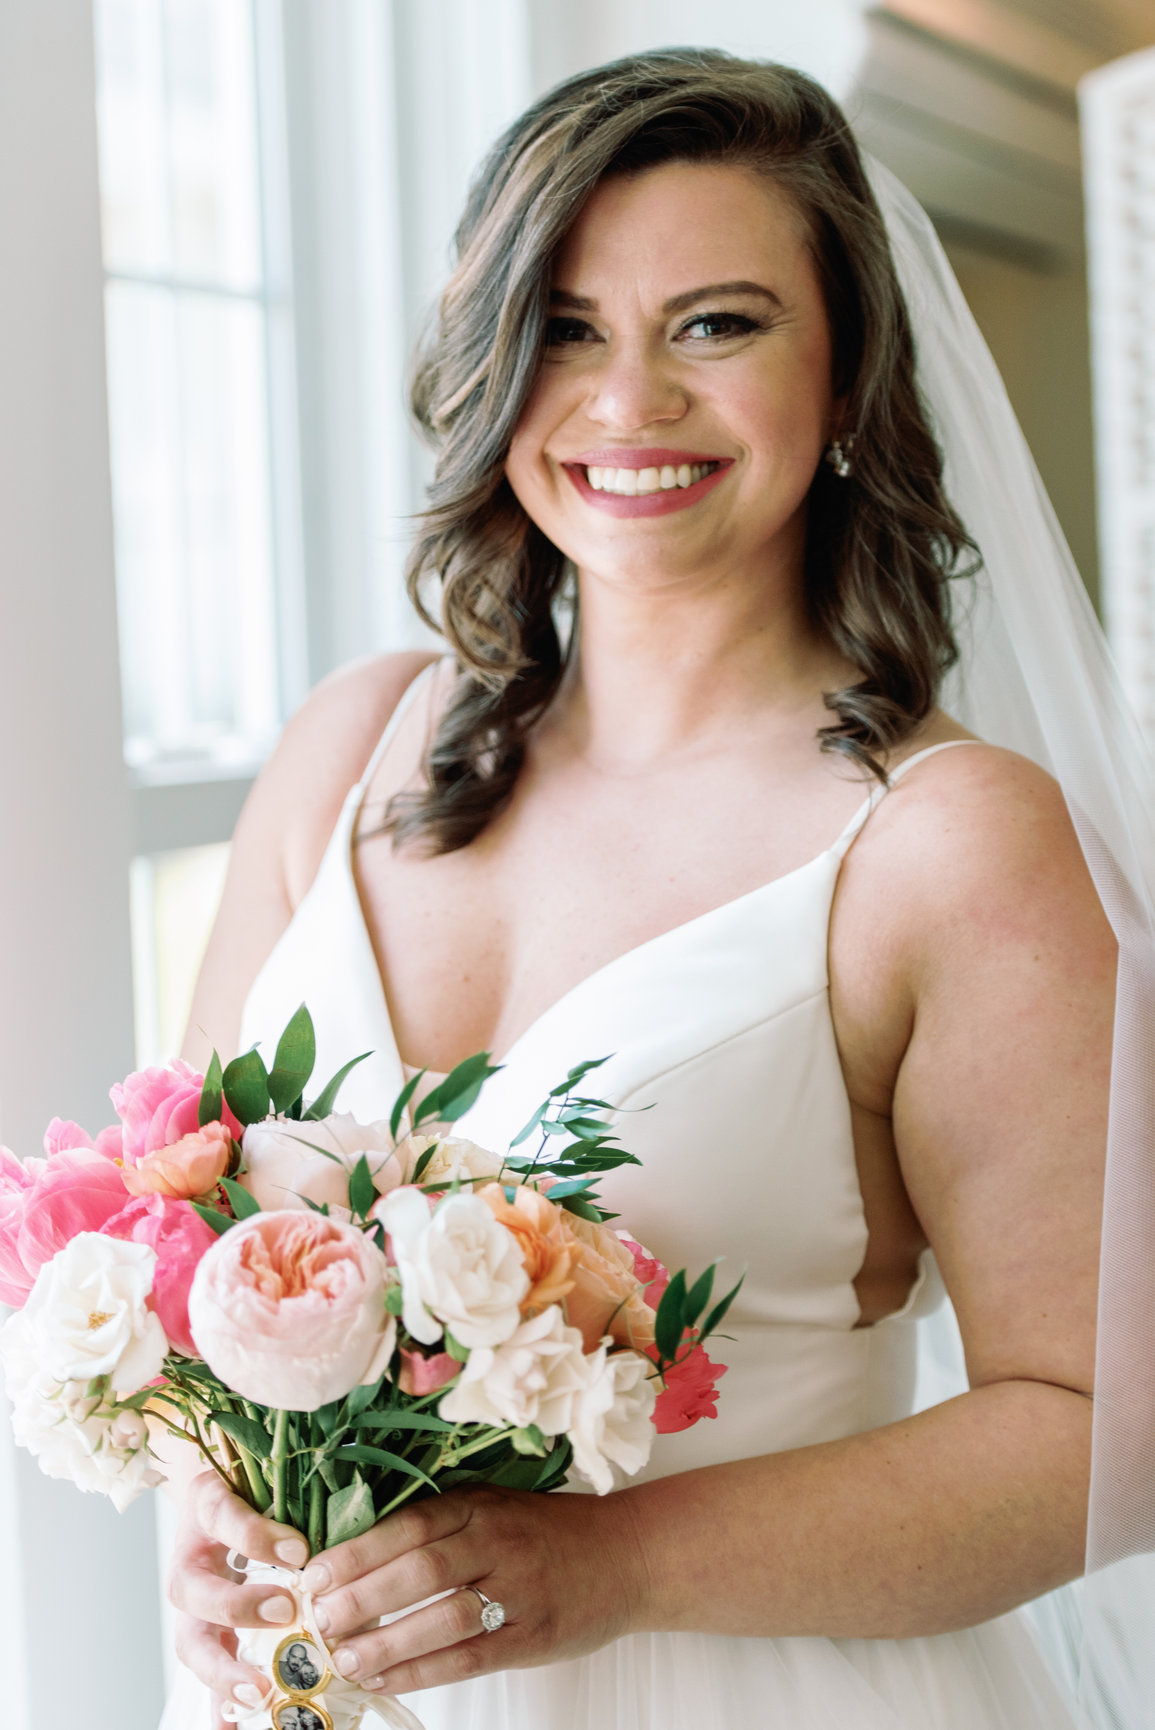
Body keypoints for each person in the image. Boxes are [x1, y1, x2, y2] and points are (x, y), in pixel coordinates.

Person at [160, 48, 1135, 1730]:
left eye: (719, 323)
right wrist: (209, 1508)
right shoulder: (345, 752)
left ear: (845, 382)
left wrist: (610, 1569)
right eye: (566, 327)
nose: (627, 403)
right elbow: (185, 1239)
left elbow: (1103, 1425)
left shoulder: (949, 845)